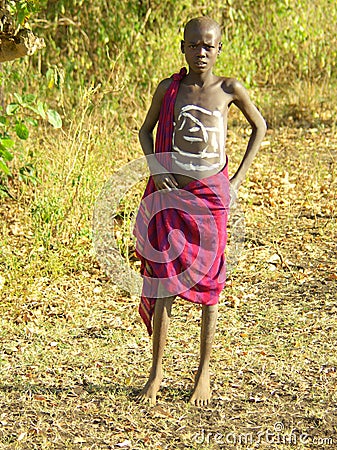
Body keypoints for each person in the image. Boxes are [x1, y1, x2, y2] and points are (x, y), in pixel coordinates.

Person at [133, 16, 267, 406]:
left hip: (211, 198)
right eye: (194, 45)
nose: (201, 52)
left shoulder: (229, 89)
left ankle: (203, 373)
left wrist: (236, 180)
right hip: (173, 195)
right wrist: (157, 172)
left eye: (209, 46)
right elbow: (145, 131)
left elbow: (259, 126)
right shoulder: (169, 89)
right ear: (183, 48)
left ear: (219, 49)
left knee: (210, 288)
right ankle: (156, 373)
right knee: (164, 284)